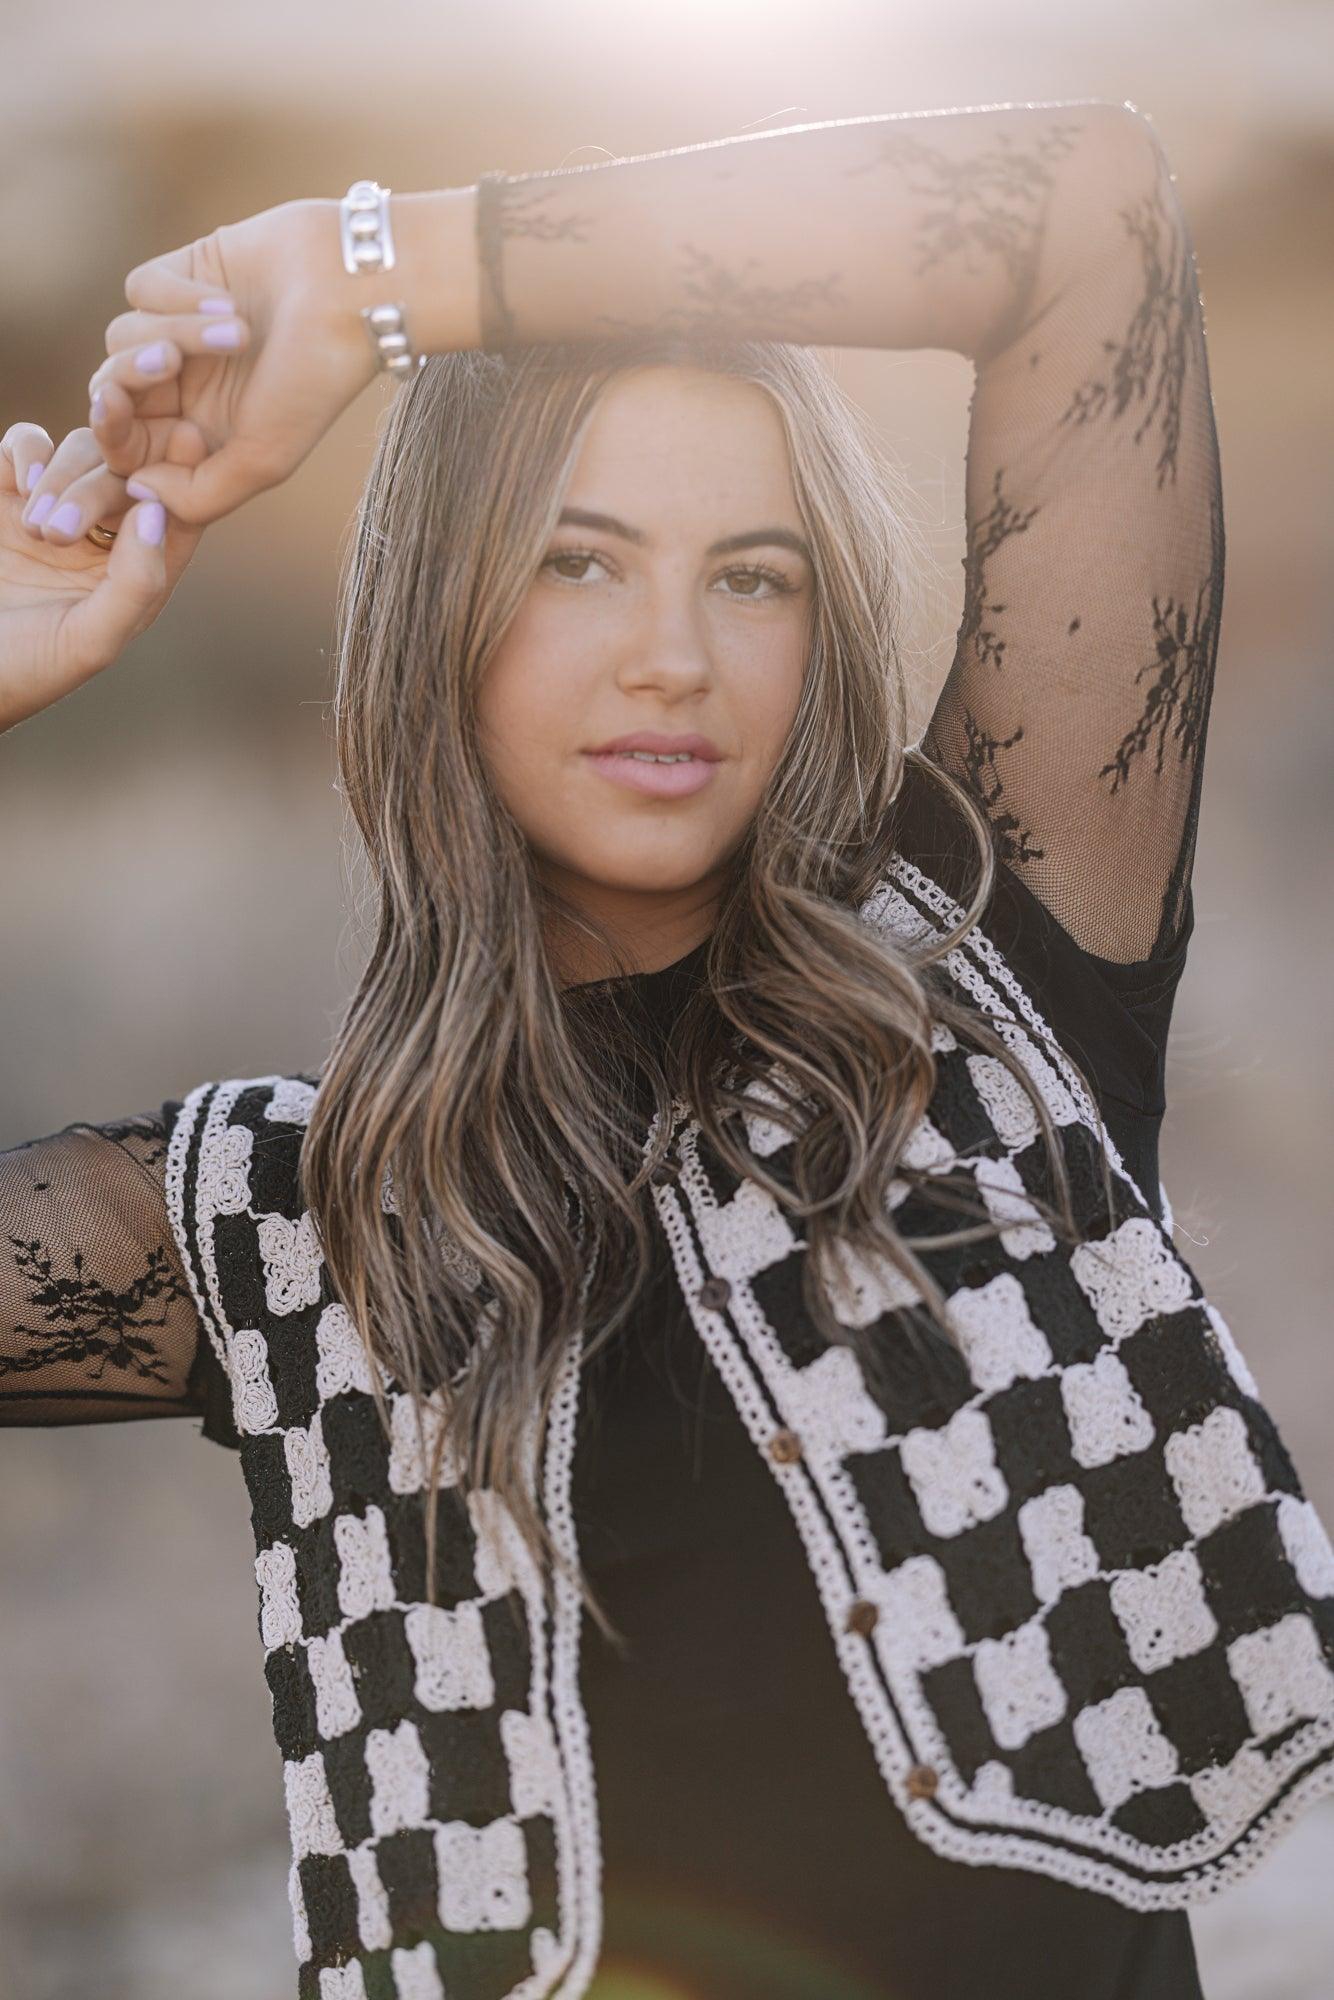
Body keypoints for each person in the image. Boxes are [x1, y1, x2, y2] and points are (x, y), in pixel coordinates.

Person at [4, 101, 1333, 2000]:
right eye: (577, 561)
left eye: (751, 574)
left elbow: (1089, 215)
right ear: (438, 613)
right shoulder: (279, 1225)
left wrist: (378, 273)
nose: (672, 659)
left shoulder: (985, 999)